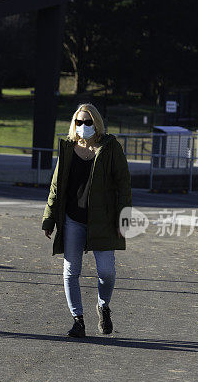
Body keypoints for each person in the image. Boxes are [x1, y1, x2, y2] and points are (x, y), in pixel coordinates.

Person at [41, 103, 131, 337]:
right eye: (79, 122)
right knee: (70, 271)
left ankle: (103, 306)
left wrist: (124, 217)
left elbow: (123, 184)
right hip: (72, 219)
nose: (82, 126)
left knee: (107, 272)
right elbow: (56, 185)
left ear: (97, 123)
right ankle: (78, 320)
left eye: (87, 122)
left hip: (103, 220)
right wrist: (49, 218)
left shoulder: (110, 148)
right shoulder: (69, 148)